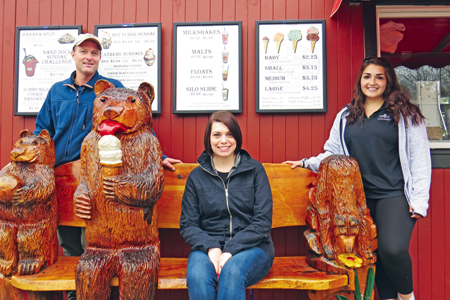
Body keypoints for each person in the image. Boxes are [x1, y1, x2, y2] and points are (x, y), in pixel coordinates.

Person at [33, 33, 180, 300]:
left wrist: (156, 157)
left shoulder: (116, 91)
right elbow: (43, 129)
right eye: (84, 51)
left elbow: (140, 122)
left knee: (108, 254)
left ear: (99, 57)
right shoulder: (57, 91)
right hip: (65, 174)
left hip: (131, 233)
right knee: (71, 245)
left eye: (94, 53)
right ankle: (74, 295)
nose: (89, 57)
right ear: (74, 54)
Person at [283, 57, 431, 300]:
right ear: (360, 80)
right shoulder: (346, 115)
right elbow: (333, 153)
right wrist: (305, 162)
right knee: (375, 255)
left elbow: (420, 159)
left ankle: (407, 297)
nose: (372, 82)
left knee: (392, 250)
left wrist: (419, 199)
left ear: (388, 81)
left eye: (379, 77)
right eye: (367, 76)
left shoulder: (405, 114)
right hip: (358, 199)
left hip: (393, 194)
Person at [180, 111, 274, 300]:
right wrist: (212, 247)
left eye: (229, 134)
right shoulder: (196, 177)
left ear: (237, 138)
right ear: (209, 139)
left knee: (232, 272)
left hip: (254, 247)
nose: (224, 140)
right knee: (197, 276)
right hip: (207, 247)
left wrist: (231, 249)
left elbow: (262, 221)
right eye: (217, 135)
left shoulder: (255, 171)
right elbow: (188, 224)